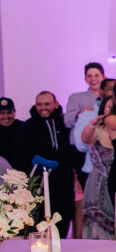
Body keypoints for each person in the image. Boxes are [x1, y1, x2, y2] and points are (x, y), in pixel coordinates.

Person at [16, 91, 78, 238]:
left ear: (55, 105)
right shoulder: (28, 126)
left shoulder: (64, 124)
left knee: (63, 217)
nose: (43, 108)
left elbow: (72, 151)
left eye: (47, 104)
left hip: (63, 181)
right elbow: (19, 153)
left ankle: (61, 247)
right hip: (39, 183)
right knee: (39, 221)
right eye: (39, 104)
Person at [79, 97, 116, 240]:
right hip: (99, 184)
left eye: (115, 108)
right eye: (108, 108)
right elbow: (85, 139)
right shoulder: (97, 129)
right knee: (98, 230)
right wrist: (92, 124)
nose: (111, 112)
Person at [65, 62, 106, 129]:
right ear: (85, 79)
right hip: (81, 138)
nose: (93, 79)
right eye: (89, 76)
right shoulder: (75, 98)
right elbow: (68, 123)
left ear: (103, 78)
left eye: (96, 75)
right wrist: (80, 115)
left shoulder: (109, 98)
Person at [0, 97, 23, 169]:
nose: (6, 116)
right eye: (2, 113)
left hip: (21, 175)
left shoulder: (23, 128)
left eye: (9, 112)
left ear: (14, 112)